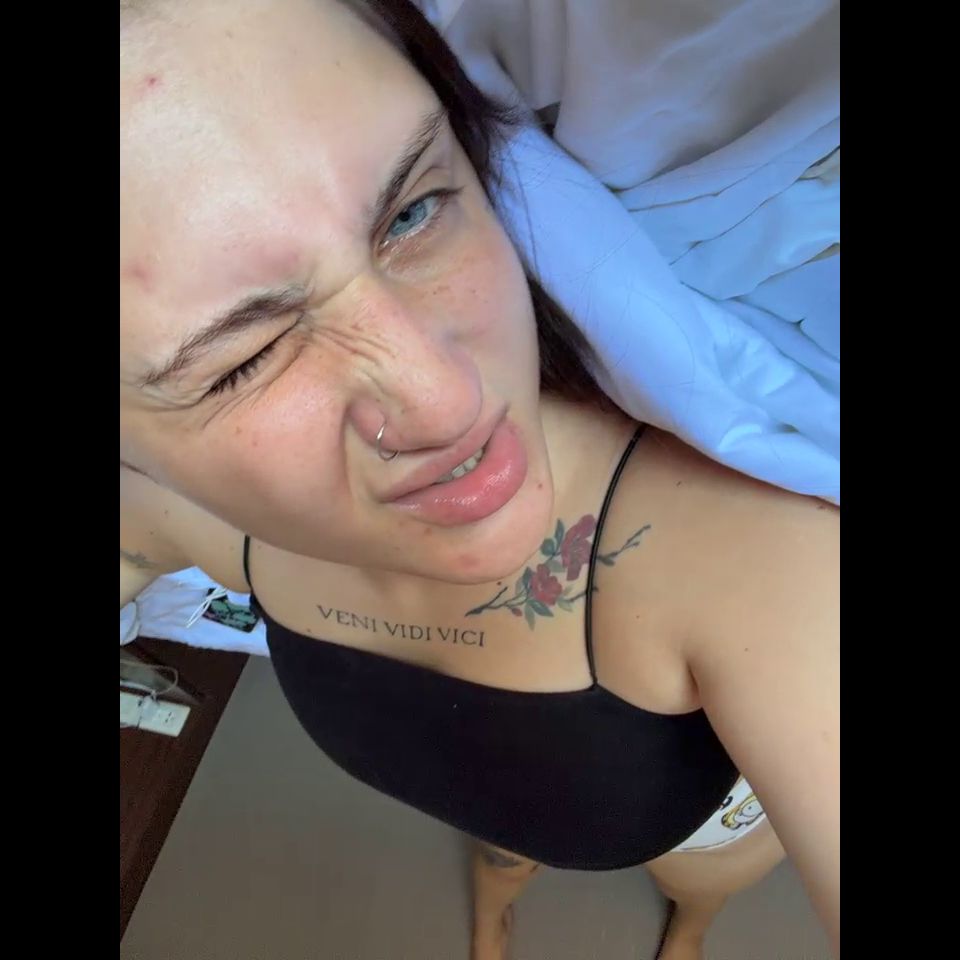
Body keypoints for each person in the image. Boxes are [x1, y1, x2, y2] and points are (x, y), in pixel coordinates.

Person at [120, 2, 839, 958]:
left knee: (696, 884)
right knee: (508, 850)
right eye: (244, 360)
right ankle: (502, 892)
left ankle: (691, 928)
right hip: (514, 813)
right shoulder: (183, 510)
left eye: (413, 211)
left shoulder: (754, 555)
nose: (448, 401)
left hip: (701, 840)